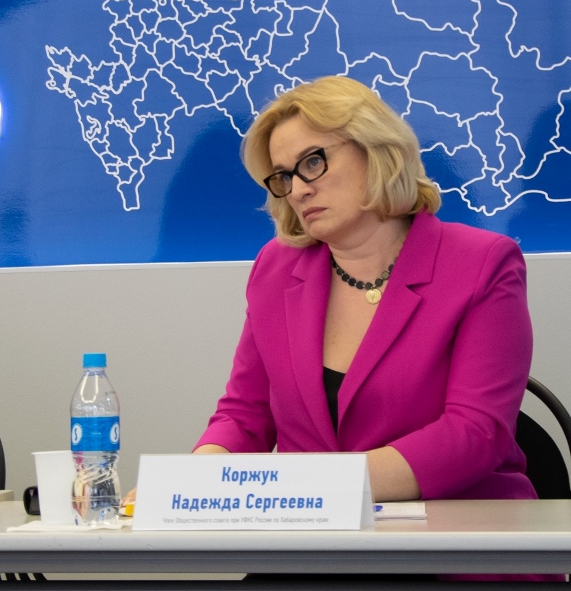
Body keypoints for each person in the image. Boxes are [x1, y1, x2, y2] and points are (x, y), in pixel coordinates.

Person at [198, 76, 561, 582]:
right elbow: (245, 415)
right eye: (282, 176)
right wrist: (193, 482)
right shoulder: (276, 269)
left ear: (376, 151)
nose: (298, 189)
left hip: (455, 549)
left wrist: (313, 487)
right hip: (312, 552)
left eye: (312, 162)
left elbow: (474, 434)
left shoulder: (482, 262)